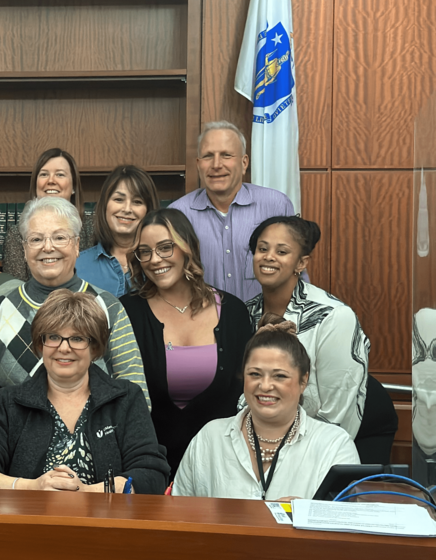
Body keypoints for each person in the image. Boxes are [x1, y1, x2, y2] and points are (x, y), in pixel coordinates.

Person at [0, 290, 169, 493]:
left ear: (94, 348)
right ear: (41, 344)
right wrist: (33, 487)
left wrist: (87, 492)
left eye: (77, 338)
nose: (64, 348)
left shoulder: (126, 398)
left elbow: (152, 474)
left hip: (106, 528)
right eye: (54, 337)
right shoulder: (8, 403)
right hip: (25, 527)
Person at [245, 216, 397, 463]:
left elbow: (339, 408)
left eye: (281, 251)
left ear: (301, 263)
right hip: (273, 437)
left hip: (345, 431)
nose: (268, 256)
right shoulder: (244, 313)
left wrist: (297, 463)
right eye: (262, 249)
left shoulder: (333, 316)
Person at [0, 197, 148, 405]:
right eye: (36, 239)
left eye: (59, 238)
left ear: (76, 245)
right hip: (13, 436)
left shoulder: (107, 306)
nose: (48, 247)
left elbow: (136, 392)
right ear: (24, 249)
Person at [119, 208, 253, 475]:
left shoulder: (234, 313)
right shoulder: (126, 313)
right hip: (149, 468)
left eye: (165, 247)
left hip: (224, 468)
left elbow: (246, 399)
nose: (155, 259)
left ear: (187, 247)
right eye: (145, 251)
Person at [174, 315, 360, 500]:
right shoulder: (210, 438)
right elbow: (179, 515)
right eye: (255, 374)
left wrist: (308, 514)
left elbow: (347, 523)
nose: (265, 386)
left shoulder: (334, 446)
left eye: (279, 376)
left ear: (303, 381)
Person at [168, 121, 301, 302]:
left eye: (226, 155)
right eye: (208, 156)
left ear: (244, 162)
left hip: (265, 325)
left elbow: (296, 271)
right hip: (203, 326)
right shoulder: (177, 214)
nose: (216, 164)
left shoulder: (276, 206)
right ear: (199, 165)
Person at [4, 148, 95, 281]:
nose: (51, 181)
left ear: (74, 186)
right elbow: (15, 286)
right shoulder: (17, 233)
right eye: (44, 174)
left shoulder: (92, 228)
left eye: (60, 174)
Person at [76, 165, 160, 297]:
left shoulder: (161, 263)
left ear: (149, 210)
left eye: (137, 202)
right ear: (105, 205)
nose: (127, 209)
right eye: (119, 199)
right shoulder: (77, 265)